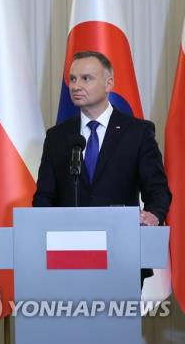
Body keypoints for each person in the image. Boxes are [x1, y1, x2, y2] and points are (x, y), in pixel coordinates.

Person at [32, 51, 171, 284]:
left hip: (122, 255)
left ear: (109, 83)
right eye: (73, 79)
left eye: (86, 78)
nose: (76, 86)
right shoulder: (57, 136)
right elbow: (44, 196)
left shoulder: (137, 133)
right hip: (66, 259)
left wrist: (154, 216)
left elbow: (157, 189)